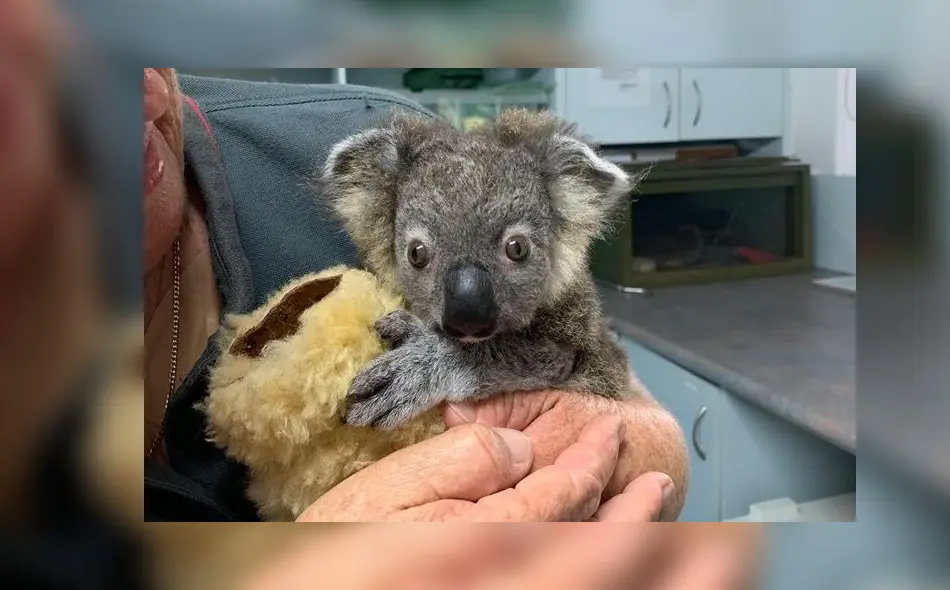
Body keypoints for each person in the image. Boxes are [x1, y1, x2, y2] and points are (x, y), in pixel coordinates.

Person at [143, 66, 690, 522]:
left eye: (517, 250)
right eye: (421, 256)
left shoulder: (435, 146)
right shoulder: (389, 179)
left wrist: (453, 365)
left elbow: (593, 372)